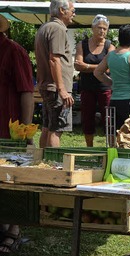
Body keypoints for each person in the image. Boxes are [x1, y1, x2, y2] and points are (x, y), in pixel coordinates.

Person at [0, 15, 33, 254]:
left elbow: (27, 92)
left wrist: (26, 129)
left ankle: (13, 229)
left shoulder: (14, 51)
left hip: (8, 128)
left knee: (12, 180)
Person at [34, 0, 75, 148]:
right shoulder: (57, 29)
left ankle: (42, 164)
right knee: (56, 129)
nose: (74, 14)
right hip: (56, 88)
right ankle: (52, 166)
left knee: (47, 127)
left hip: (48, 86)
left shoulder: (44, 27)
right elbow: (54, 60)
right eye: (72, 10)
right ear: (62, 10)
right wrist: (62, 89)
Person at [74, 14, 115, 147]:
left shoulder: (110, 46)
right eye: (99, 28)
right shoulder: (82, 44)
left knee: (108, 119)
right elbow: (77, 65)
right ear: (92, 28)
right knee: (87, 118)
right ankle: (89, 147)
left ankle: (109, 147)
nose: (102, 31)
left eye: (105, 28)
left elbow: (109, 68)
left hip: (104, 88)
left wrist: (86, 66)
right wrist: (100, 68)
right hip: (87, 88)